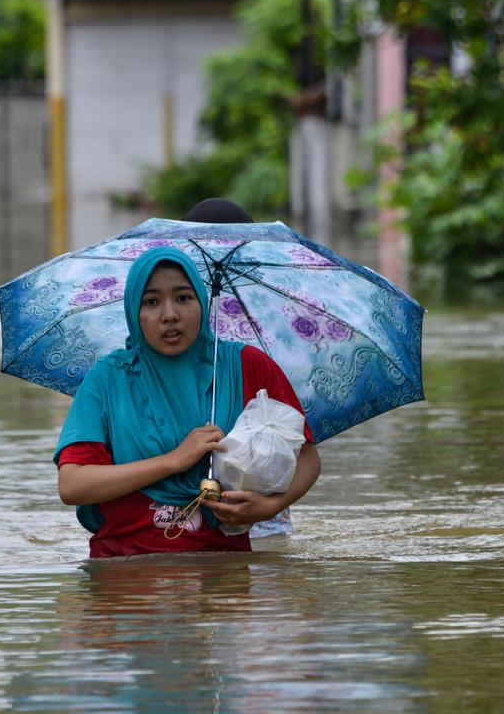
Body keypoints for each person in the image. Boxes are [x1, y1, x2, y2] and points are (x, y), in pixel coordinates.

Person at [55, 204, 321, 558]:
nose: (169, 315)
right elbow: (73, 484)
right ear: (133, 312)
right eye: (151, 302)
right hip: (123, 574)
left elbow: (307, 457)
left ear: (201, 301)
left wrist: (271, 506)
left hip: (224, 572)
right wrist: (173, 460)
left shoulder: (246, 365)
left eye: (183, 298)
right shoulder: (108, 378)